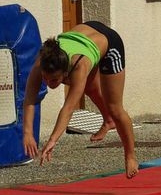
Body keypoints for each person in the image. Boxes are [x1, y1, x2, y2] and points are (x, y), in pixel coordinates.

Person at [22, 21, 138, 178]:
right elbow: (29, 99)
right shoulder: (41, 64)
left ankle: (130, 156)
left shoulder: (79, 66)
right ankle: (108, 121)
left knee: (115, 108)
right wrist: (27, 133)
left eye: (55, 80)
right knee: (89, 87)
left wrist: (52, 140)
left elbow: (68, 109)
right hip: (85, 33)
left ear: (65, 73)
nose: (49, 84)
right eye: (45, 79)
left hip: (109, 44)